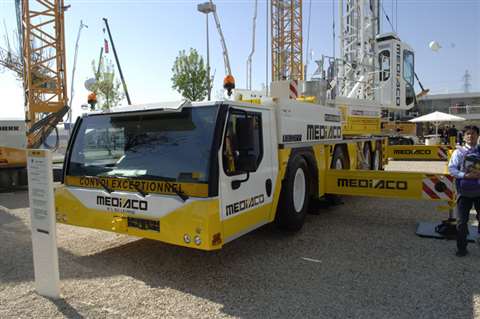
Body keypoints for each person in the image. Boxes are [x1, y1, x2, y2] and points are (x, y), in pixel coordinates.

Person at [448, 125, 480, 257]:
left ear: (478, 136)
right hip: (463, 192)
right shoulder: (458, 152)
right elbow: (452, 169)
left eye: (473, 134)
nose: (470, 136)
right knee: (461, 222)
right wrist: (465, 175)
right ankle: (462, 248)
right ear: (464, 136)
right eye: (468, 134)